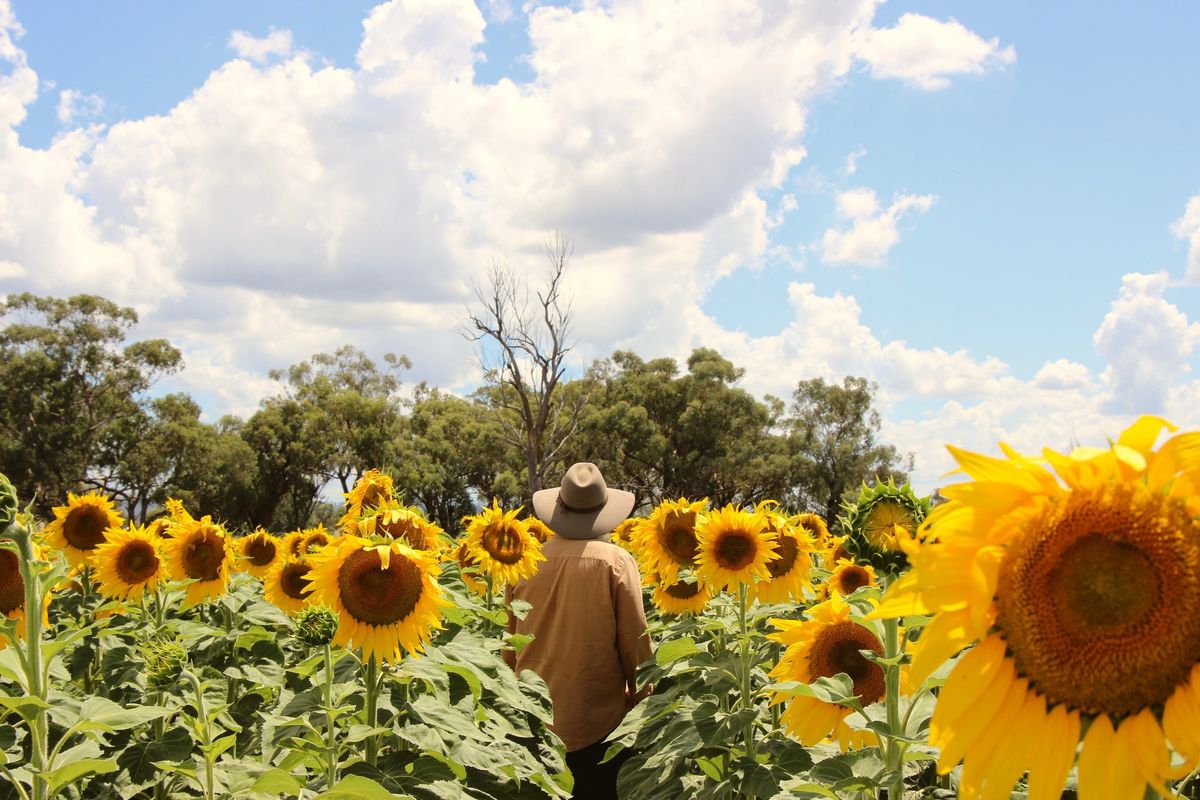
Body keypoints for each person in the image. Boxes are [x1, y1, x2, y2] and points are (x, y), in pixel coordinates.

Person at [504, 462, 651, 800]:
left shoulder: (527, 562)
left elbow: (510, 646)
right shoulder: (614, 561)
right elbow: (636, 646)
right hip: (598, 725)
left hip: (535, 724)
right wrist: (644, 707)